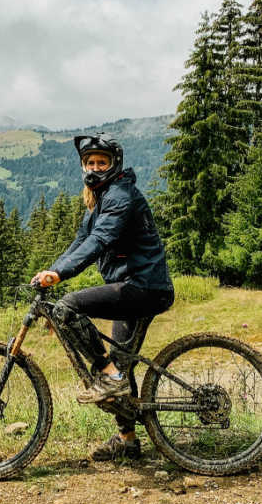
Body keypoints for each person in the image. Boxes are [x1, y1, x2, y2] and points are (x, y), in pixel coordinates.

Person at [31, 133, 174, 462]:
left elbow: (100, 240)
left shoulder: (119, 195)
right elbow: (81, 241)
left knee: (68, 308)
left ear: (114, 165)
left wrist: (60, 275)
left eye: (101, 162)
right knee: (122, 365)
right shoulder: (102, 197)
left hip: (143, 287)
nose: (95, 168)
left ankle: (108, 375)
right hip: (134, 285)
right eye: (90, 162)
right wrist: (52, 270)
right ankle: (127, 440)